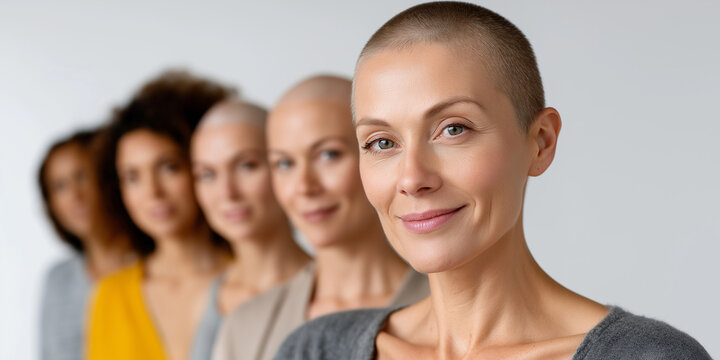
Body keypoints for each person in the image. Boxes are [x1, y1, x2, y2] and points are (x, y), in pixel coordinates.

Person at [276, 2, 711, 359]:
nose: (412, 178)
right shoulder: (316, 349)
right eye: (381, 142)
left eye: (453, 129)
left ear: (540, 142)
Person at [212, 75, 429, 360]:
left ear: (378, 153)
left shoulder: (455, 310)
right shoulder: (245, 326)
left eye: (328, 155)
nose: (305, 186)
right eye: (285, 163)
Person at [86, 71, 235, 360]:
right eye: (132, 177)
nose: (152, 192)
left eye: (168, 167)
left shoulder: (252, 280)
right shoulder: (109, 295)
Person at [189, 99, 311, 360]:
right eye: (207, 174)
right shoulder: (200, 296)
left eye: (246, 166)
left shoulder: (327, 293)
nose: (227, 193)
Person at [38, 129, 135, 360]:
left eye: (82, 176)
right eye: (60, 186)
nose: (75, 195)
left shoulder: (153, 267)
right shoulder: (58, 280)